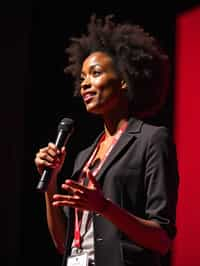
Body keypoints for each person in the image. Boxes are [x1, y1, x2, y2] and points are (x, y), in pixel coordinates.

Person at [34, 14, 179, 266]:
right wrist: (51, 181)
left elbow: (161, 240)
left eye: (96, 73)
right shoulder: (84, 156)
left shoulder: (151, 139)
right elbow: (61, 243)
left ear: (124, 79)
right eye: (82, 78)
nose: (85, 84)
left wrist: (104, 207)